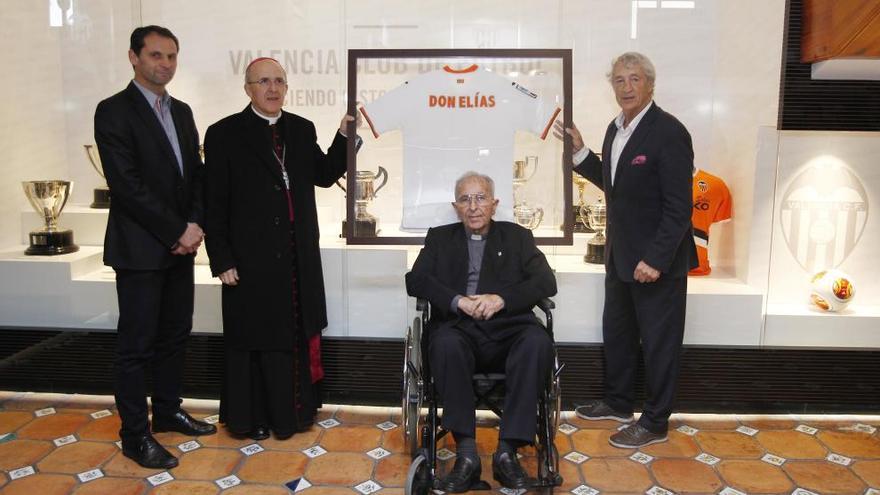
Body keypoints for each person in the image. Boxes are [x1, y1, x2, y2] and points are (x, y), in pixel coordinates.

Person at [203, 57, 356, 440]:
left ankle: (291, 416)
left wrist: (343, 137)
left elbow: (323, 175)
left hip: (295, 257)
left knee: (289, 337)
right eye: (263, 81)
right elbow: (213, 201)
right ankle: (251, 417)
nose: (272, 89)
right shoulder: (224, 133)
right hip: (249, 259)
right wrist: (220, 257)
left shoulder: (301, 129)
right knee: (254, 337)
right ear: (247, 88)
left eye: (279, 82)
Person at [558, 52, 697, 449]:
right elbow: (615, 186)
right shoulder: (614, 128)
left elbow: (679, 207)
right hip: (620, 258)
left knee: (659, 344)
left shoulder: (669, 132)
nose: (627, 87)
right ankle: (619, 403)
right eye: (619, 80)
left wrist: (655, 259)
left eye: (635, 79)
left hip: (657, 263)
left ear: (650, 84)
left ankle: (654, 422)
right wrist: (582, 153)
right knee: (617, 334)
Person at [94, 25, 216, 470]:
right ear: (133, 57)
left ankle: (166, 410)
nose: (165, 64)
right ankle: (134, 435)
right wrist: (176, 230)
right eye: (156, 55)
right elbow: (126, 186)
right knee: (136, 345)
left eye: (171, 57)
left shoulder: (182, 111)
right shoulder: (113, 111)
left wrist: (196, 223)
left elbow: (195, 175)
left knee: (174, 335)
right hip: (141, 249)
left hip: (181, 245)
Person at [405, 172, 557, 492]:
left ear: (494, 203)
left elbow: (546, 282)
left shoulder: (518, 237)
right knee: (444, 343)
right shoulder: (439, 238)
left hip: (509, 329)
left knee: (537, 342)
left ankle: (507, 453)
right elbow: (415, 280)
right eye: (465, 199)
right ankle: (467, 455)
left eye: (481, 198)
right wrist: (457, 301)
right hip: (458, 329)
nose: (473, 207)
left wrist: (501, 299)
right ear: (456, 206)